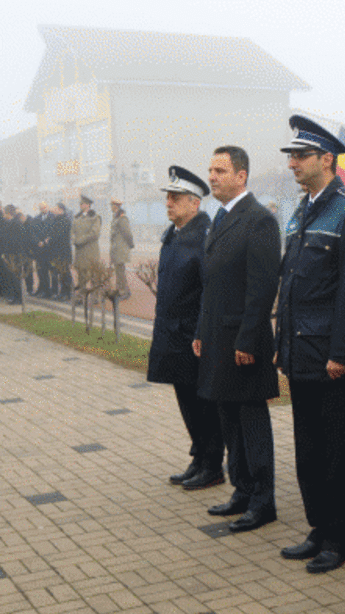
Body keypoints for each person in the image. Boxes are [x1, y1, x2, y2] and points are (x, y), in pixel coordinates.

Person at [275, 115, 345, 574]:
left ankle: (341, 537)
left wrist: (342, 352)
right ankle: (318, 528)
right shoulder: (302, 208)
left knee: (338, 454)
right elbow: (292, 283)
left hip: (332, 358)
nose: (292, 162)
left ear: (326, 160)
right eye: (291, 156)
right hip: (300, 353)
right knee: (309, 452)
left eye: (300, 155)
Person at [194, 145, 281, 533]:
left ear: (241, 176)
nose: (212, 177)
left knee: (251, 423)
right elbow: (211, 285)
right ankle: (241, 491)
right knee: (229, 421)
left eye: (220, 170)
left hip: (244, 343)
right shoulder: (220, 217)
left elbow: (261, 288)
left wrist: (247, 340)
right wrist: (200, 331)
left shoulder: (259, 220)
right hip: (217, 338)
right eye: (211, 170)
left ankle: (263, 501)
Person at [149, 166, 225, 491]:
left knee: (202, 403)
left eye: (175, 198)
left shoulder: (203, 238)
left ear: (194, 203)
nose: (168, 203)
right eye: (168, 197)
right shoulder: (176, 233)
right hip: (172, 333)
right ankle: (199, 456)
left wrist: (201, 333)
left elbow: (210, 290)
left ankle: (212, 464)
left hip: (192, 336)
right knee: (185, 400)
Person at [72, 195, 101, 298]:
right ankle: (81, 294)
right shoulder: (77, 217)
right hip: (80, 251)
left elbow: (95, 233)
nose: (80, 205)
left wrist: (80, 240)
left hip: (90, 251)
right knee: (81, 275)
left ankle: (96, 296)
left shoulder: (95, 217)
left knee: (93, 274)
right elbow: (72, 232)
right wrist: (74, 239)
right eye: (80, 203)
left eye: (82, 203)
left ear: (88, 205)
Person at [109, 198, 134, 300]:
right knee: (119, 271)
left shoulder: (122, 218)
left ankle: (124, 292)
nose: (110, 207)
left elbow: (127, 233)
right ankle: (121, 290)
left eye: (111, 205)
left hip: (120, 249)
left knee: (120, 272)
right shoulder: (115, 217)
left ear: (115, 206)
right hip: (116, 249)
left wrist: (131, 245)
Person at [49, 203, 73, 301]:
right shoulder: (56, 220)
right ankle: (62, 292)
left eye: (55, 208)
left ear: (61, 210)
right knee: (58, 273)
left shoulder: (65, 221)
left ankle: (67, 293)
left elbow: (58, 235)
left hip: (63, 252)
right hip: (56, 251)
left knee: (65, 273)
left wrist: (49, 239)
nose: (54, 210)